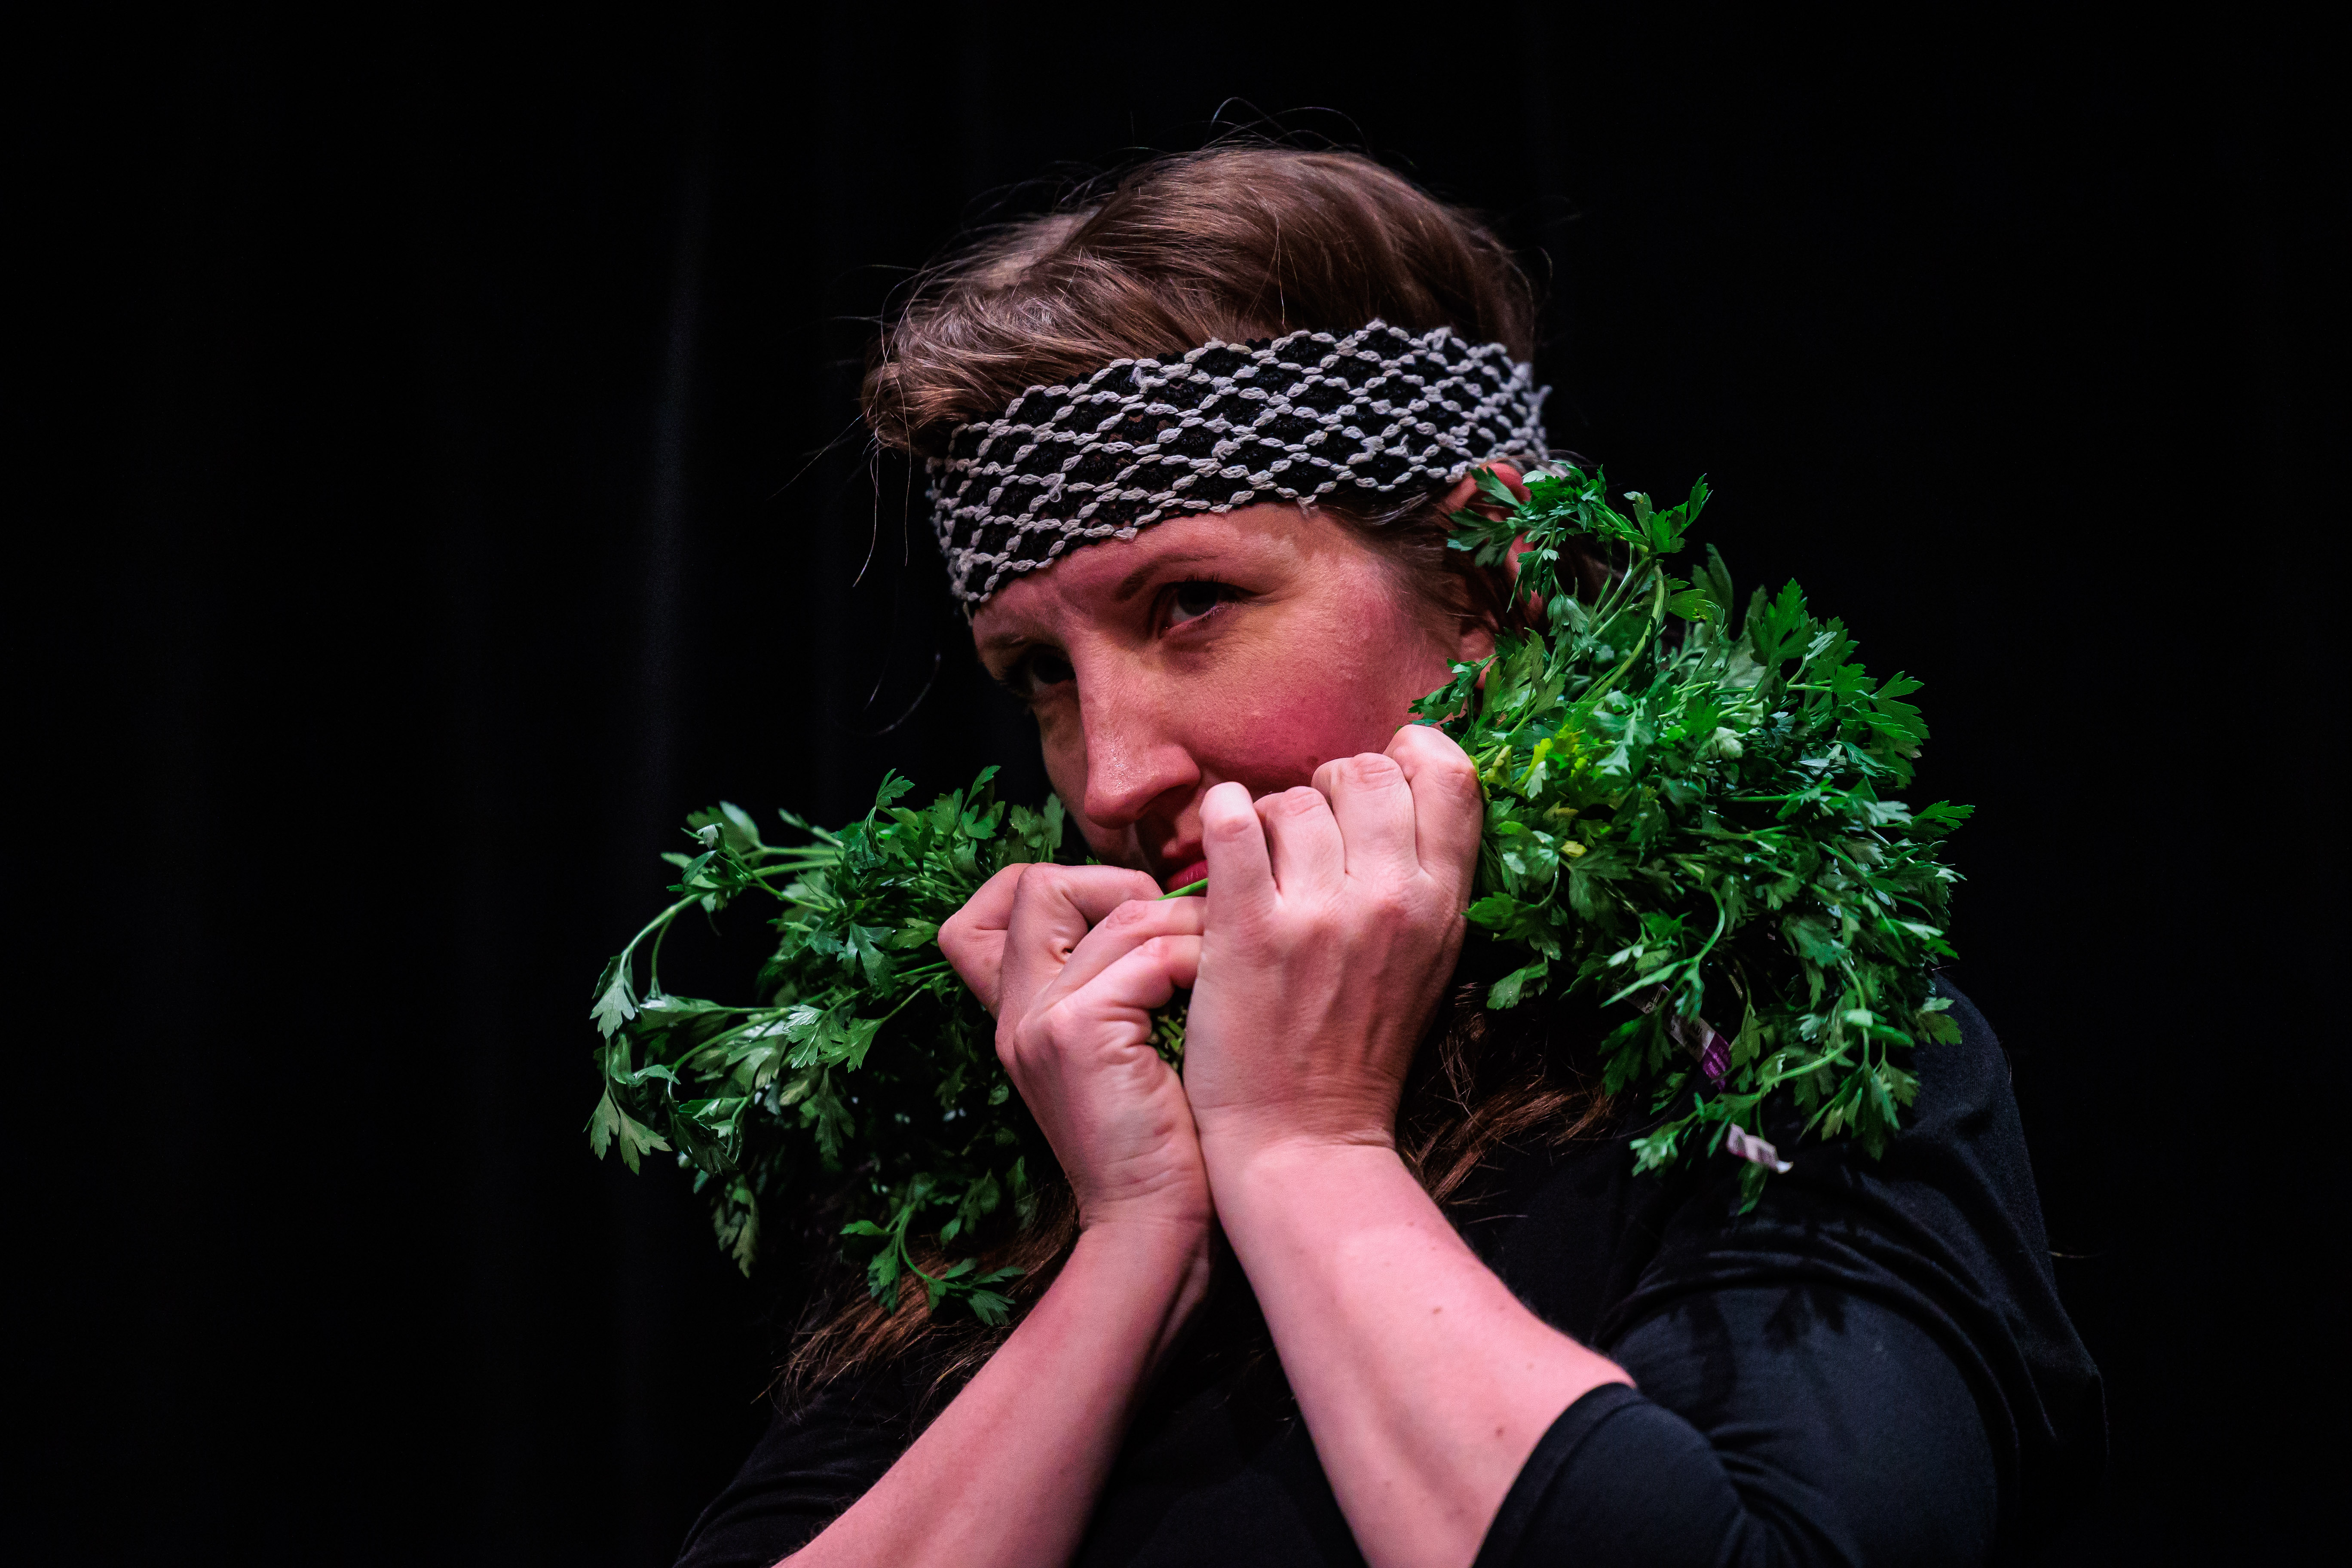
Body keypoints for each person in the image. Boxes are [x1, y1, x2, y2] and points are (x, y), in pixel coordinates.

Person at [676, 147, 2104, 1568]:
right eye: (1041, 672)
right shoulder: (1024, 1149)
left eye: (1191, 602)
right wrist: (1134, 1244)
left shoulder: (1777, 1056)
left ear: (1487, 581)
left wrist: (1304, 1147)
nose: (1111, 779)